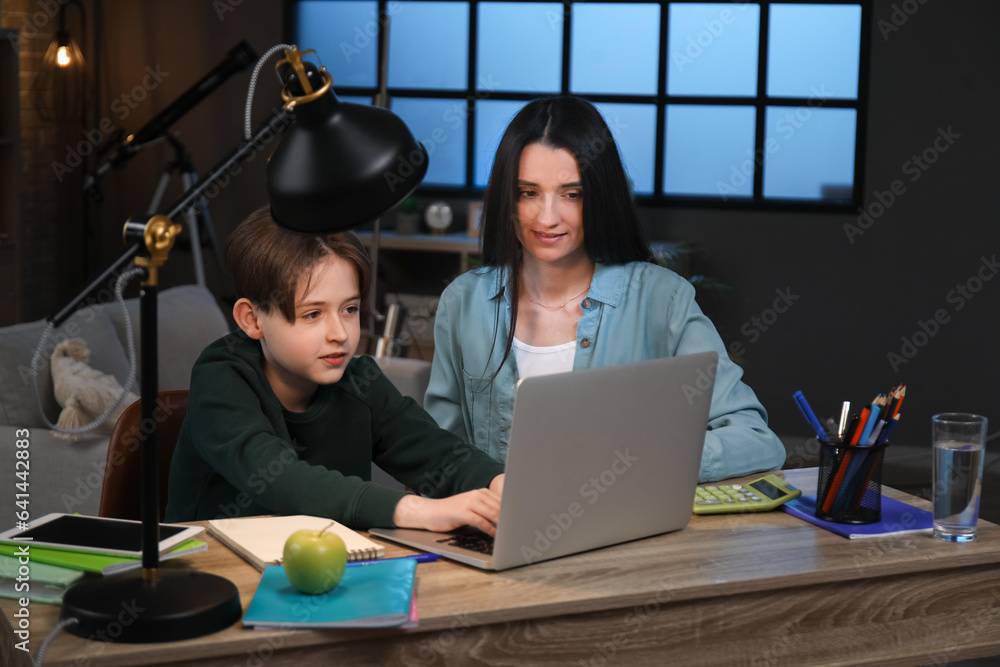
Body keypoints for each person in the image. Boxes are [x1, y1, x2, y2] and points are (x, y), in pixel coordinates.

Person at [424, 95, 785, 482]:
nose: (547, 217)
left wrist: (641, 465)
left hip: (622, 534)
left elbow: (756, 440)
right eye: (528, 193)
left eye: (572, 194)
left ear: (599, 195)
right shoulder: (464, 302)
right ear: (507, 200)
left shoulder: (662, 300)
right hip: (496, 535)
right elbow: (437, 455)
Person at [165, 207, 504, 535]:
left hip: (329, 569)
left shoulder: (360, 381)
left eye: (349, 309)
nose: (340, 333)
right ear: (252, 320)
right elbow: (281, 479)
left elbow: (436, 452)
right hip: (214, 576)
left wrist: (500, 484)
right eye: (312, 314)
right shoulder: (220, 378)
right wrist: (420, 510)